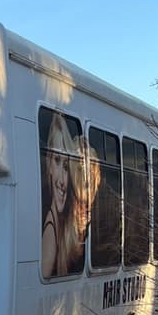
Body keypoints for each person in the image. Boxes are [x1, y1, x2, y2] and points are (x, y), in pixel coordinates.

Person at [41, 111, 77, 278]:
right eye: (57, 161)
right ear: (48, 164)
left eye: (66, 167)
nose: (62, 181)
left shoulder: (60, 226)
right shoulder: (50, 232)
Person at [62, 137, 101, 274]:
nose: (86, 181)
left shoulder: (101, 222)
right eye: (79, 170)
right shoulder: (62, 224)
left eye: (90, 173)